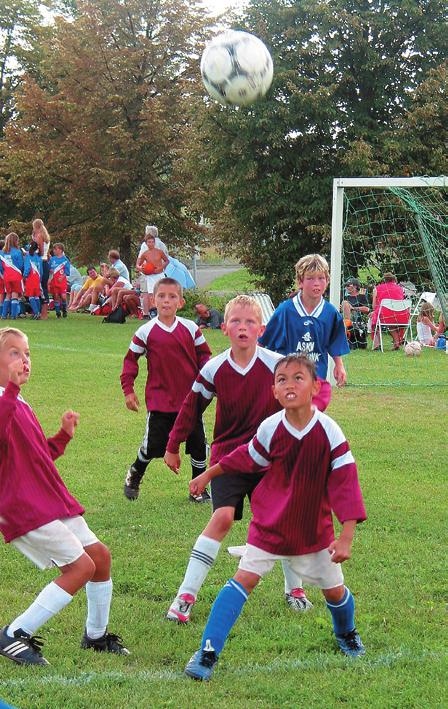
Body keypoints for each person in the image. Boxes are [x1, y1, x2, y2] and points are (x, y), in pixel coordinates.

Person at [184, 353, 367, 681]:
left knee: (335, 592)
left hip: (314, 532)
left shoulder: (329, 431)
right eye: (282, 379)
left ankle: (347, 634)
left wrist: (346, 536)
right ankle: (207, 651)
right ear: (274, 392)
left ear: (315, 387)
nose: (290, 384)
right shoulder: (271, 428)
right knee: (243, 580)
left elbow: (346, 483)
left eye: (299, 377)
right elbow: (244, 458)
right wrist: (208, 474)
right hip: (270, 527)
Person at [163, 295, 312, 625]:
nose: (242, 327)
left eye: (249, 323)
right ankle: (185, 595)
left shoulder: (276, 365)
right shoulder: (214, 367)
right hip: (228, 457)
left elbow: (298, 402)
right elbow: (191, 408)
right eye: (236, 321)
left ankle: (295, 589)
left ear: (260, 329)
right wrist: (173, 445)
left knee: (281, 519)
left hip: (270, 459)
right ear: (223, 327)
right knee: (223, 518)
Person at [0, 327, 129, 666]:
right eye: (14, 353)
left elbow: (37, 457)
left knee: (99, 556)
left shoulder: (17, 401)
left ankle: (96, 635)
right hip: (23, 507)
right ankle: (14, 634)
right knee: (80, 567)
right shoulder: (5, 399)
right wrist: (11, 389)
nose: (24, 360)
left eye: (27, 353)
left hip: (51, 501)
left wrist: (62, 437)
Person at [120, 277, 211, 502]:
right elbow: (131, 360)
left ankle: (198, 490)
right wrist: (128, 390)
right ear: (153, 300)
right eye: (161, 296)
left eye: (172, 297)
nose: (166, 301)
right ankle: (135, 473)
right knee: (153, 447)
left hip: (190, 400)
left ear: (180, 302)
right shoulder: (146, 331)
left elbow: (205, 357)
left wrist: (208, 382)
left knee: (198, 445)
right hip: (160, 401)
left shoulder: (191, 328)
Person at [260, 254, 350, 410]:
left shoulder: (330, 313)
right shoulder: (285, 310)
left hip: (316, 379)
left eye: (321, 278)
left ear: (327, 281)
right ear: (300, 282)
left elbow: (335, 340)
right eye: (310, 278)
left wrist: (339, 365)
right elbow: (263, 342)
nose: (316, 283)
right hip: (287, 380)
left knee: (310, 420)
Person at [371, 273, 409, 350]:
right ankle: (397, 343)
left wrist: (374, 311)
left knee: (373, 320)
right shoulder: (400, 289)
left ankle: (376, 344)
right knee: (391, 323)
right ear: (394, 279)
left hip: (386, 315)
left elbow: (374, 306)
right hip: (402, 315)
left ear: (384, 280)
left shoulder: (377, 288)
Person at [137, 226, 169, 317]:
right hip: (152, 272)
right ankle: (155, 311)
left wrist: (141, 268)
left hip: (153, 272)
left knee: (147, 292)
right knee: (155, 293)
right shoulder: (162, 244)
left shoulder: (146, 245)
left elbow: (166, 259)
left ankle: (147, 313)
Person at [0, 233, 24, 321]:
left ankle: (3, 315)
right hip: (16, 275)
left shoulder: (2, 252)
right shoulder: (18, 251)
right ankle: (13, 315)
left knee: (8, 295)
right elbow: (21, 265)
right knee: (15, 294)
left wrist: (5, 272)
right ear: (15, 241)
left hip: (6, 276)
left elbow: (1, 267)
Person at [31, 219, 51, 320]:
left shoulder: (39, 236)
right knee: (44, 287)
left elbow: (41, 251)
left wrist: (30, 252)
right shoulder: (46, 236)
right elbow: (47, 253)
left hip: (41, 263)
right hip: (45, 262)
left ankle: (43, 313)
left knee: (41, 287)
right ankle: (43, 312)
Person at [48, 243, 71, 318]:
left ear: (61, 250)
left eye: (56, 249)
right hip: (54, 281)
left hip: (62, 281)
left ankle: (64, 310)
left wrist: (63, 276)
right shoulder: (52, 259)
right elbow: (50, 269)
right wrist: (50, 275)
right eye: (53, 249)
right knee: (56, 296)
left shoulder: (65, 260)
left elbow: (67, 271)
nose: (54, 250)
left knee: (63, 296)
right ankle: (58, 313)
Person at [23, 242, 43, 319]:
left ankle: (36, 313)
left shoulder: (28, 256)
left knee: (31, 295)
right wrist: (40, 278)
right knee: (37, 295)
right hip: (37, 278)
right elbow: (41, 270)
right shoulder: (39, 257)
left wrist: (24, 276)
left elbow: (27, 268)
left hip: (30, 278)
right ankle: (39, 313)